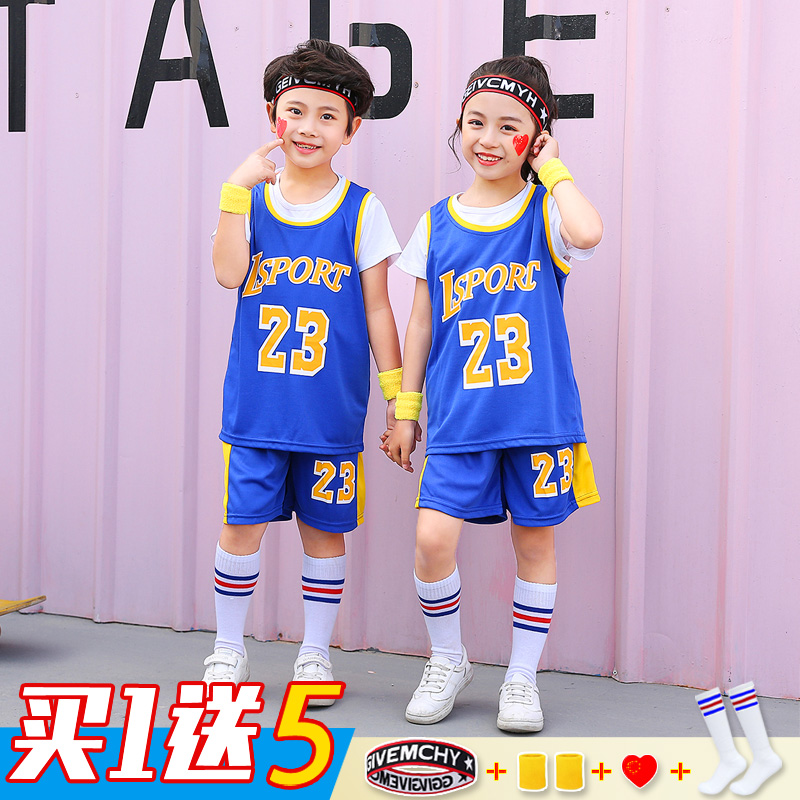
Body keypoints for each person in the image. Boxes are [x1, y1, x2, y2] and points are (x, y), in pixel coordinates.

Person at [383, 55, 603, 732]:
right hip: (461, 421)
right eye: (476, 121)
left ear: (536, 137)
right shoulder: (437, 223)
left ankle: (521, 676)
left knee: (533, 544)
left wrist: (553, 170)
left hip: (537, 419)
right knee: (431, 539)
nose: (488, 138)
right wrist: (406, 409)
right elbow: (420, 324)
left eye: (510, 126)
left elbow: (589, 232)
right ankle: (448, 658)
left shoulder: (545, 213)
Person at [206, 39, 404, 701]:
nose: (309, 127)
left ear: (351, 129)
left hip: (329, 414)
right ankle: (227, 649)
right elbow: (229, 273)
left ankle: (314, 654)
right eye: (296, 111)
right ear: (273, 117)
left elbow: (378, 308)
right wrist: (234, 193)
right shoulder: (252, 200)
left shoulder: (362, 209)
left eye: (327, 115)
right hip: (258, 410)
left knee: (324, 533)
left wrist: (397, 396)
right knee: (241, 526)